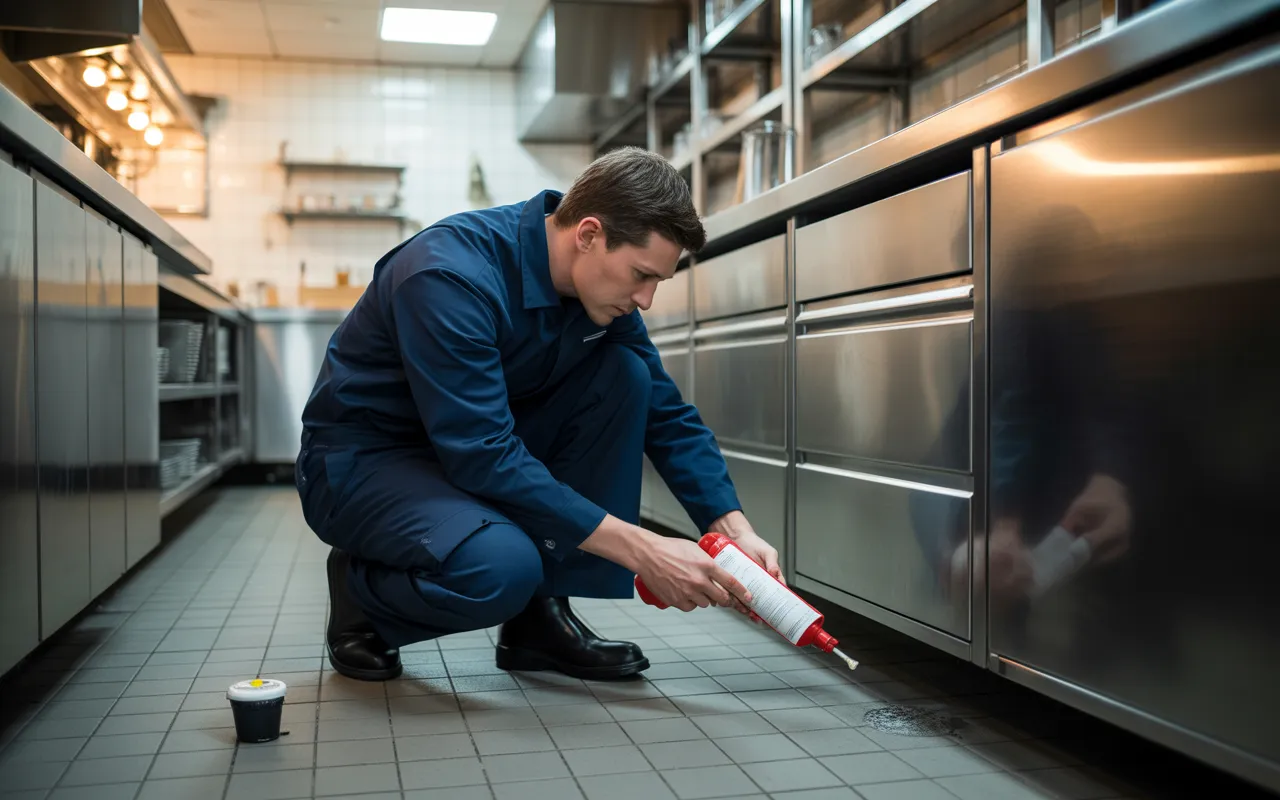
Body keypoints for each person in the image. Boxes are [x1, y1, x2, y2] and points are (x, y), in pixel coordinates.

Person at [294, 147, 781, 682]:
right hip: (367, 464)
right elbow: (484, 454)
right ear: (589, 234)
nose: (645, 299)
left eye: (657, 282)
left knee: (626, 374)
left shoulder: (597, 292)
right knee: (501, 570)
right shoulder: (448, 275)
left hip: (467, 455)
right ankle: (363, 597)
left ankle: (539, 621)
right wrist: (645, 550)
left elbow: (666, 414)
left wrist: (731, 528)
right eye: (641, 275)